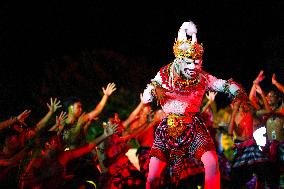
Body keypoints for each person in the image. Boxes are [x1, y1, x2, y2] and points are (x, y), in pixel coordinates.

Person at [141, 20, 248, 189]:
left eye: (197, 63)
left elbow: (224, 84)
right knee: (153, 176)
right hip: (168, 129)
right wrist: (156, 89)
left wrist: (239, 93)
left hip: (193, 126)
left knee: (212, 163)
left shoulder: (203, 77)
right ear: (179, 59)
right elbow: (146, 98)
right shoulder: (164, 74)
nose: (193, 67)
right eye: (188, 62)